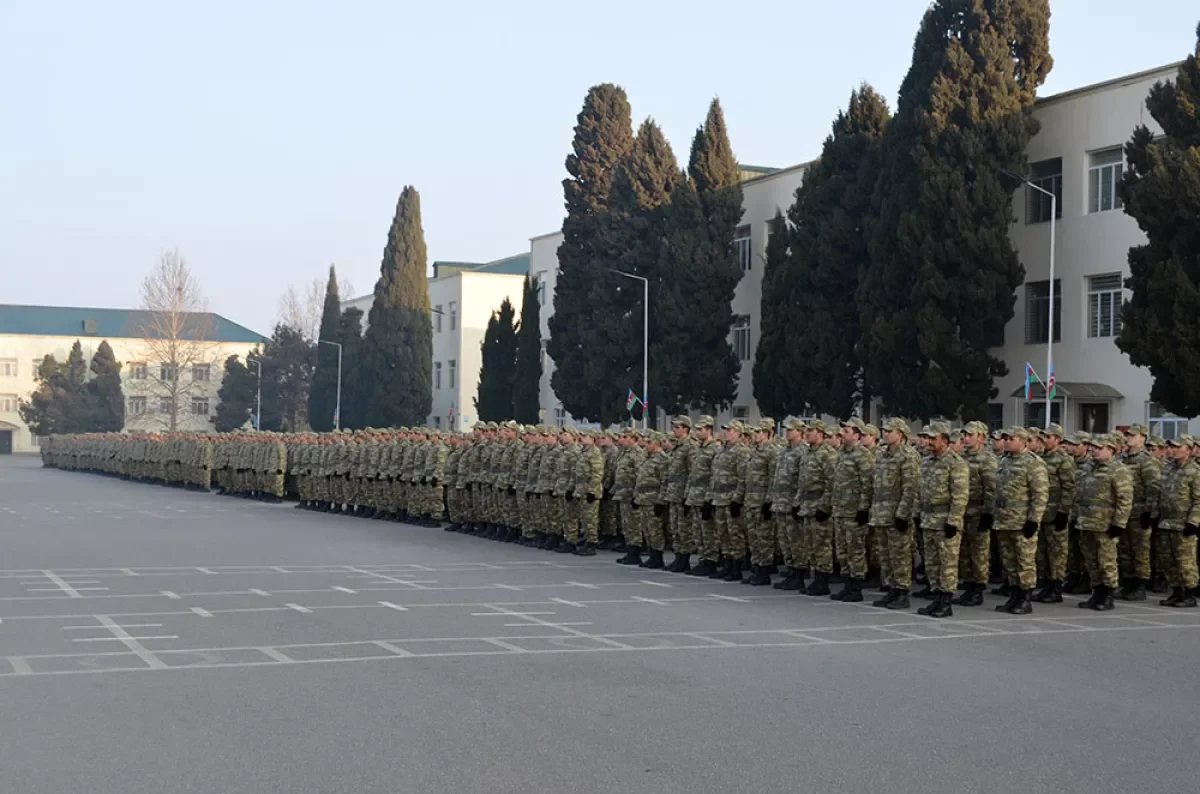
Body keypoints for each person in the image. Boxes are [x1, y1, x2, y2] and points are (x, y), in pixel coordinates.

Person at [1072, 434, 1133, 610]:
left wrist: (1119, 523)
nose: (1094, 451)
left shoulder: (1118, 470)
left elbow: (1125, 499)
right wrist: (1075, 518)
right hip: (1086, 522)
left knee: (1106, 561)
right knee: (1091, 561)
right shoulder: (1088, 468)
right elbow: (1079, 495)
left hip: (1105, 524)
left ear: (1111, 450)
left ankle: (1107, 595)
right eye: (1093, 447)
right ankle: (1097, 592)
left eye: (1099, 448)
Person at [915, 422, 969, 618]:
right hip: (928, 519)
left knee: (947, 563)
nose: (928, 442)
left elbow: (960, 495)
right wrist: (917, 514)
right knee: (931, 563)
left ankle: (946, 602)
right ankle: (936, 597)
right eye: (927, 438)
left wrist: (953, 521)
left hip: (945, 520)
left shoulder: (955, 463)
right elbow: (920, 491)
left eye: (933, 438)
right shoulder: (927, 461)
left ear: (944, 441)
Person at [993, 427, 1049, 614]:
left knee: (1025, 561)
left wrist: (1034, 520)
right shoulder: (1004, 461)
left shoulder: (1033, 463)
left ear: (1023, 441)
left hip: (1022, 521)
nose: (1007, 441)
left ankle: (1025, 598)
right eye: (1005, 438)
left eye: (1011, 438)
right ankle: (1014, 595)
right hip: (1004, 520)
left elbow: (1040, 494)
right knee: (1009, 561)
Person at [870, 418, 921, 609]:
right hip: (881, 514)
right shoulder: (883, 455)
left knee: (900, 555)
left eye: (890, 431)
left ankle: (902, 591)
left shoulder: (908, 455)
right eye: (884, 430)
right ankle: (891, 588)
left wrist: (903, 514)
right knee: (885, 555)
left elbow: (911, 488)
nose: (885, 433)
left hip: (897, 515)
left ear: (900, 434)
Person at [828, 419, 875, 602]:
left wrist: (863, 509)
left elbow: (868, 484)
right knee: (842, 550)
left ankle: (856, 586)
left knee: (855, 550)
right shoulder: (841, 454)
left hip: (854, 512)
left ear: (856, 435)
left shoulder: (862, 455)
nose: (842, 433)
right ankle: (847, 583)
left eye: (846, 431)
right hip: (840, 510)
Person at [952, 421, 997, 607]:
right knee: (963, 553)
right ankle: (969, 585)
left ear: (981, 437)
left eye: (970, 435)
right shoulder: (960, 457)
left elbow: (991, 489)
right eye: (965, 435)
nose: (966, 438)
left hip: (978, 513)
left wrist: (988, 513)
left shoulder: (988, 460)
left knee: (979, 553)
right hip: (962, 512)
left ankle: (978, 588)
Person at [1116, 424, 1162, 601]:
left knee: (1140, 550)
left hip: (1139, 513)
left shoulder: (1147, 461)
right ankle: (1128, 582)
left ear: (1143, 438)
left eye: (1133, 435)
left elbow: (1154, 488)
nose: (1129, 438)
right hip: (1123, 513)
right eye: (1128, 435)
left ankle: (1140, 585)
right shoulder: (1122, 459)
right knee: (1124, 549)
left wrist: (1149, 512)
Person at [1033, 424, 1077, 603]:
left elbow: (1069, 487)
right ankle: (1046, 585)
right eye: (1044, 437)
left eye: (1049, 437)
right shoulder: (1040, 458)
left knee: (1057, 552)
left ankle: (1056, 587)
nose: (1045, 440)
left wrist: (1063, 511)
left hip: (1055, 513)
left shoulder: (1064, 460)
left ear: (1058, 439)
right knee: (1042, 552)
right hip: (1041, 513)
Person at [1155, 435, 1200, 608]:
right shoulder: (1167, 469)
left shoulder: (1194, 471)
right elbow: (1161, 495)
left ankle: (1189, 593)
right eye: (1171, 447)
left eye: (1176, 447)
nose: (1172, 450)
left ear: (1188, 450)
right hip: (1166, 522)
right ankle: (1176, 591)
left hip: (1183, 524)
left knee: (1185, 561)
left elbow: (1198, 500)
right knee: (1167, 559)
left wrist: (1193, 522)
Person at [797, 420, 838, 596]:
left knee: (822, 545)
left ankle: (823, 580)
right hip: (807, 505)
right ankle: (816, 577)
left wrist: (825, 506)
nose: (807, 433)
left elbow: (832, 483)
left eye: (811, 430)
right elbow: (802, 481)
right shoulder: (807, 453)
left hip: (820, 506)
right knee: (811, 544)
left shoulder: (827, 454)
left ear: (820, 433)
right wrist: (797, 503)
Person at [708, 420, 751, 581]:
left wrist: (737, 499)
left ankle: (737, 566)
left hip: (731, 499)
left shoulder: (741, 451)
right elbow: (714, 476)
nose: (726, 432)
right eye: (726, 429)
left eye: (730, 430)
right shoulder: (722, 451)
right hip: (719, 499)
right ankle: (727, 563)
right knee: (723, 534)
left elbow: (743, 478)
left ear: (739, 433)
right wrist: (711, 497)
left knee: (735, 534)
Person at [769, 419, 808, 591]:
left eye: (791, 430)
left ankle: (799, 574)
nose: (787, 432)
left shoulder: (802, 452)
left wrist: (797, 502)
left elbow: (803, 480)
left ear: (800, 431)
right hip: (780, 502)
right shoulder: (785, 451)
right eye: (786, 429)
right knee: (785, 541)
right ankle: (791, 571)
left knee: (796, 541)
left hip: (792, 502)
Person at [743, 419, 781, 586]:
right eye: (755, 432)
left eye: (759, 432)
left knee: (764, 537)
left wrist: (769, 500)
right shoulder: (754, 450)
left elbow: (774, 477)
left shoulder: (772, 451)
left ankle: (764, 570)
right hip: (751, 500)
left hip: (762, 501)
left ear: (768, 433)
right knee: (754, 537)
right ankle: (756, 567)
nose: (755, 435)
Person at [685, 416, 721, 578]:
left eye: (701, 429)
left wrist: (709, 499)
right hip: (694, 496)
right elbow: (692, 475)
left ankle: (710, 560)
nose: (698, 432)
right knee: (697, 531)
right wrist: (687, 496)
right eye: (697, 429)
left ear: (709, 430)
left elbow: (714, 476)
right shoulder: (698, 448)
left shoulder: (715, 449)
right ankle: (703, 558)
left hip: (705, 496)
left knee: (708, 532)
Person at [664, 416, 698, 573]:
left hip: (682, 493)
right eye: (674, 427)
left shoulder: (690, 447)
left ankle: (684, 559)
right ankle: (678, 557)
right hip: (673, 494)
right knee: (675, 527)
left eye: (677, 427)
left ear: (686, 429)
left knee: (684, 528)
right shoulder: (677, 447)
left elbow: (693, 472)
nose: (674, 429)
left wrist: (687, 495)